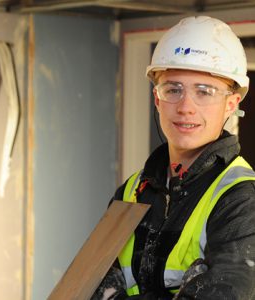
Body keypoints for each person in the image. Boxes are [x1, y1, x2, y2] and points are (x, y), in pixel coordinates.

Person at [91, 16, 255, 299]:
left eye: (204, 92)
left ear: (231, 103)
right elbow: (87, 286)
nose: (185, 107)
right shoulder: (132, 192)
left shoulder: (241, 199)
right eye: (173, 90)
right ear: (157, 99)